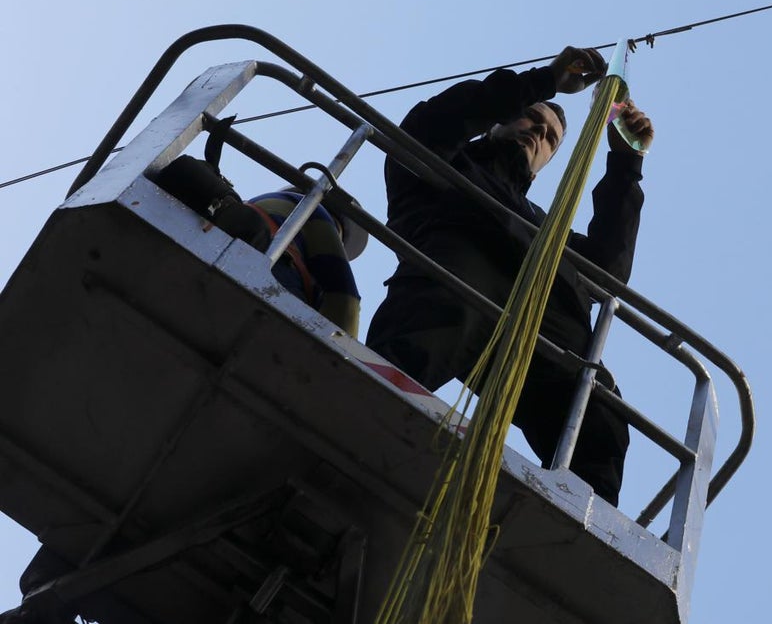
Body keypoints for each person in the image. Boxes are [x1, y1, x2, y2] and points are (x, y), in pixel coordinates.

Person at [365, 45, 655, 507]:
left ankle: (581, 515)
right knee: (444, 312)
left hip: (542, 325)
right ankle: (367, 411)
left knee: (595, 402)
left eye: (551, 137)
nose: (538, 132)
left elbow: (606, 273)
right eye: (531, 119)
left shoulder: (549, 228)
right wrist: (543, 82)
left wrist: (625, 163)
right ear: (500, 121)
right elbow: (428, 126)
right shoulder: (445, 164)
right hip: (455, 283)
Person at [153, 158, 364, 337]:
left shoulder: (257, 204)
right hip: (271, 275)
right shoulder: (316, 212)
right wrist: (345, 351)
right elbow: (344, 297)